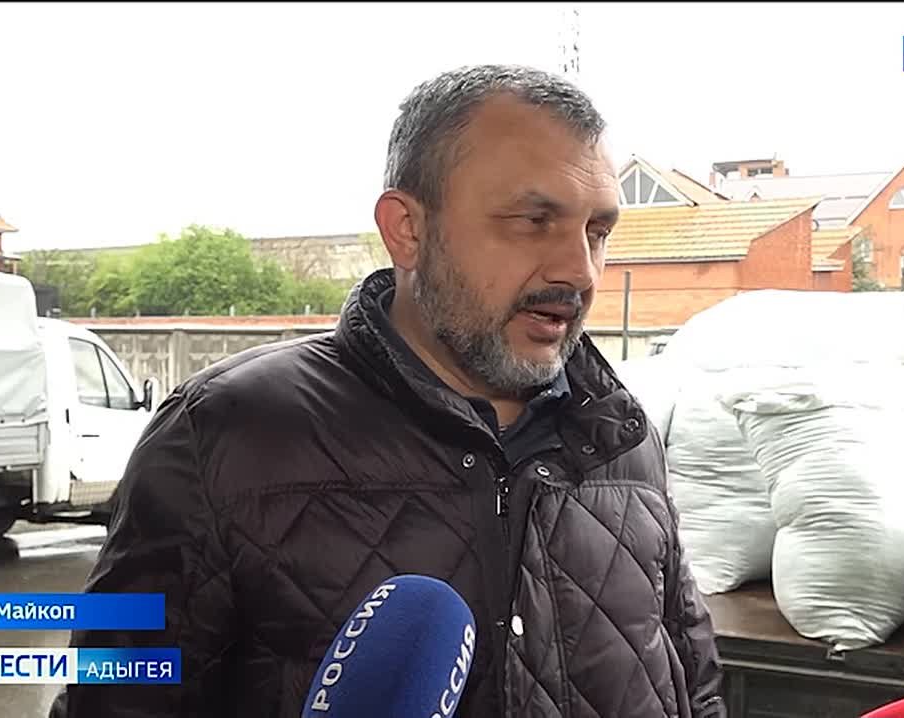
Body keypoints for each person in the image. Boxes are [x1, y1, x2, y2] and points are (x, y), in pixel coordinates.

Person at [49, 64, 725, 718]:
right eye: (532, 220)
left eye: (597, 232)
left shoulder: (622, 438)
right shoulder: (221, 433)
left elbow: (694, 689)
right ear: (408, 229)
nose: (579, 270)